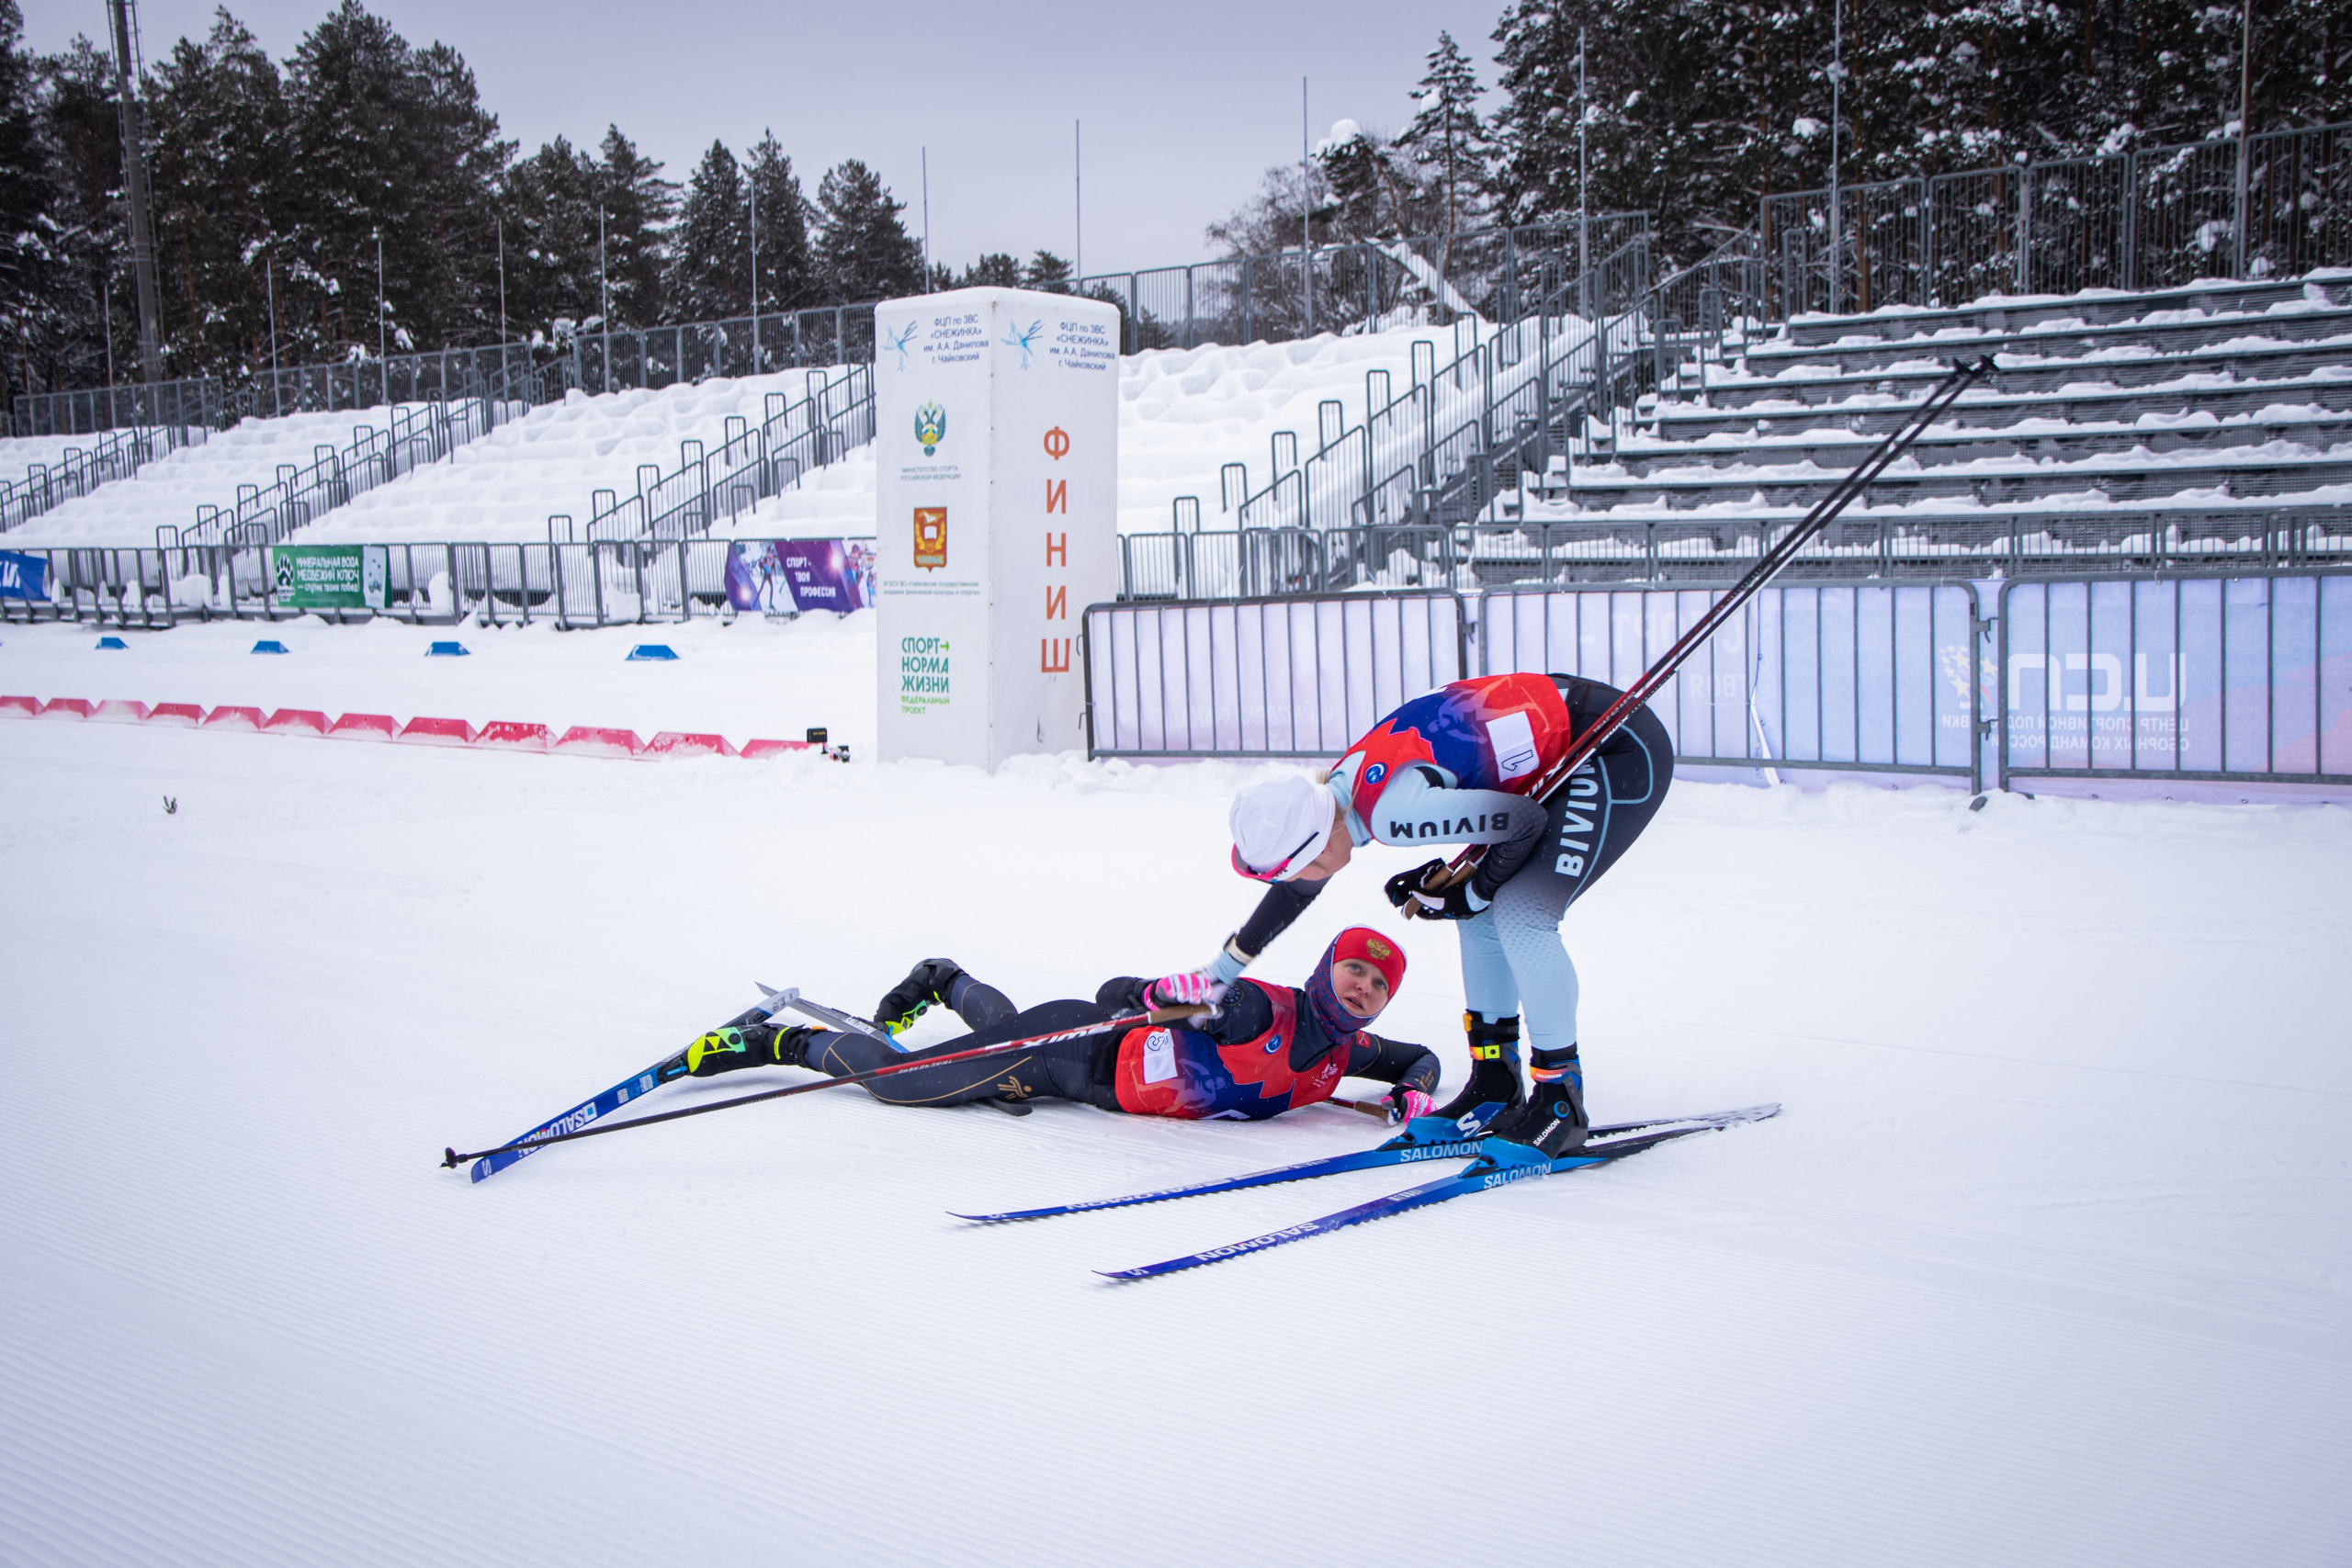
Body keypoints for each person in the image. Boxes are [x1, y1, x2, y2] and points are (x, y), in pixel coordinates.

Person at [1184, 673, 1673, 1156]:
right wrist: (1220, 973)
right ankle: (1495, 1083)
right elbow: (1296, 895)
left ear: (1310, 851)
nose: (1298, 882)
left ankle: (1560, 1103)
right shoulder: (1341, 789)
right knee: (1478, 916)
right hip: (1566, 741)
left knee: (1522, 914)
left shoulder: (1390, 814)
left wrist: (1475, 892)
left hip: (1614, 746)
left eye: (1292, 871)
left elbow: (1524, 822)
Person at [654, 931, 1441, 1124]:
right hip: (1078, 1053)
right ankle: (777, 1043)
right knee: (906, 1084)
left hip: (1078, 1055)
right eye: (1354, 970)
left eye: (1378, 982)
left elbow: (1422, 1059)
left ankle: (946, 979)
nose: (1363, 987)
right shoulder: (1262, 1008)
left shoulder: (1342, 1052)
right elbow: (1117, 992)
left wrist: (1412, 1097)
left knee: (1001, 1038)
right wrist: (1163, 992)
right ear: (1326, 968)